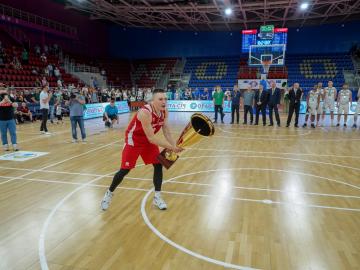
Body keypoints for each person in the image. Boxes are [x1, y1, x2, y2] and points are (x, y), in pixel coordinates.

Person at [101, 89, 183, 211]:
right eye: (160, 99)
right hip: (134, 140)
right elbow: (152, 138)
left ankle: (157, 197)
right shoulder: (145, 112)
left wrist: (174, 145)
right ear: (153, 101)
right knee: (124, 170)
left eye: (165, 99)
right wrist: (171, 148)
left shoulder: (165, 111)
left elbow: (166, 130)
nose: (164, 101)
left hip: (148, 142)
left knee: (158, 164)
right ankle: (109, 193)